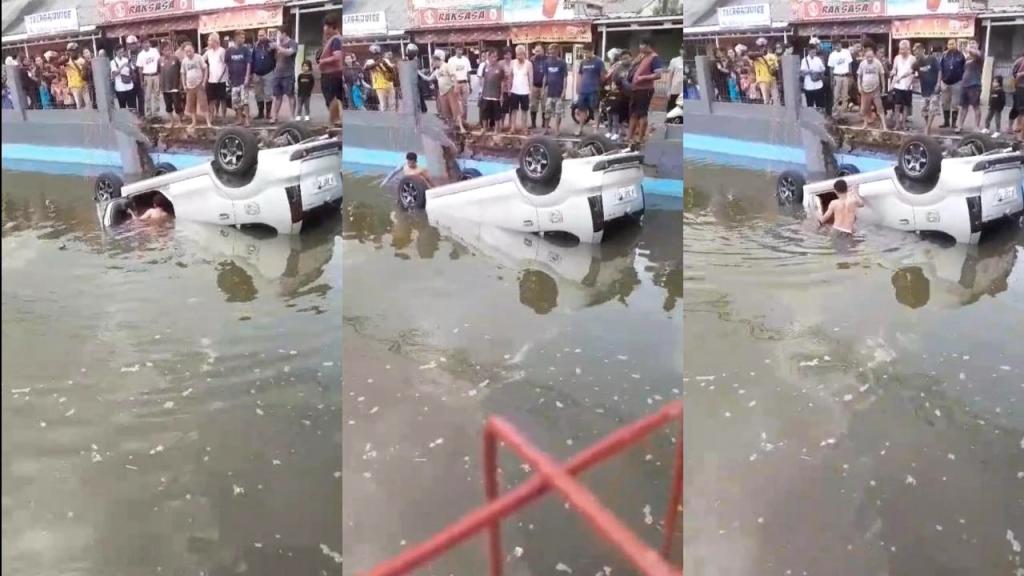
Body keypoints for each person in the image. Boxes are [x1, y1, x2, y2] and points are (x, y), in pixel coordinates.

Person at [627, 39, 664, 147]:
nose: (640, 47)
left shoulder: (654, 58)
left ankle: (640, 138)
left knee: (642, 113)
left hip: (645, 89)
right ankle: (630, 136)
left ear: (648, 45)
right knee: (633, 113)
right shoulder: (642, 57)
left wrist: (643, 77)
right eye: (640, 44)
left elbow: (658, 75)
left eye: (642, 44)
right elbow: (633, 68)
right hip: (636, 89)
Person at [318, 13, 344, 125]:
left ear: (333, 27)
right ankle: (337, 120)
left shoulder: (336, 40)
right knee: (337, 98)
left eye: (327, 26)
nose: (325, 29)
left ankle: (336, 121)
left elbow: (337, 57)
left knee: (331, 98)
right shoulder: (336, 39)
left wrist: (323, 61)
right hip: (335, 73)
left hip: (331, 74)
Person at [573, 45, 604, 136]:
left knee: (595, 109)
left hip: (594, 90)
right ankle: (580, 128)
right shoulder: (583, 62)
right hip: (583, 90)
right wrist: (577, 87)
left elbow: (602, 76)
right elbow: (580, 75)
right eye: (584, 52)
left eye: (587, 52)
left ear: (592, 50)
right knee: (582, 110)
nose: (585, 54)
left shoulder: (599, 62)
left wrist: (600, 87)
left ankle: (596, 130)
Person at [180, 42, 211, 128]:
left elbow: (205, 69)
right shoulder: (184, 61)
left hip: (199, 84)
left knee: (203, 103)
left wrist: (204, 82)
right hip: (189, 86)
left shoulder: (199, 58)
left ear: (193, 50)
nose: (189, 53)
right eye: (187, 52)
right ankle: (194, 122)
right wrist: (184, 85)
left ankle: (208, 122)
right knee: (191, 105)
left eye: (190, 51)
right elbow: (183, 73)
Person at [224, 30, 251, 126]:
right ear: (236, 38)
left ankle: (247, 120)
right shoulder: (229, 51)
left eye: (244, 38)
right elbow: (226, 64)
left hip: (243, 79)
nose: (243, 40)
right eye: (241, 37)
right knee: (236, 101)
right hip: (233, 80)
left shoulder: (246, 50)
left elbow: (248, 64)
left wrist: (247, 77)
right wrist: (228, 76)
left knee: (245, 101)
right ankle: (239, 119)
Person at [271, 27, 298, 122]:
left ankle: (292, 116)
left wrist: (278, 47)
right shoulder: (278, 45)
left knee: (290, 95)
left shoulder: (292, 43)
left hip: (288, 74)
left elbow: (289, 53)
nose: (277, 36)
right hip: (277, 73)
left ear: (284, 33)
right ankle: (275, 116)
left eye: (279, 33)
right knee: (277, 96)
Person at [857, 47, 887, 130]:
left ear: (873, 55)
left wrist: (883, 87)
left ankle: (884, 125)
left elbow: (882, 75)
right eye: (867, 57)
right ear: (865, 56)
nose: (869, 59)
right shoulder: (862, 64)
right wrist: (859, 86)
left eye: (871, 57)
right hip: (865, 89)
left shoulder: (877, 63)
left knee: (879, 107)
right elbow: (859, 76)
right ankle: (865, 124)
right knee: (865, 108)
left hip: (875, 89)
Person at [541, 44, 568, 136]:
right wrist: (543, 89)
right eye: (549, 50)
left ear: (557, 51)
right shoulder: (546, 62)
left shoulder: (562, 63)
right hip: (549, 92)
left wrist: (564, 90)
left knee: (558, 112)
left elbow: (565, 77)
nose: (550, 52)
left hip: (559, 92)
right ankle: (546, 129)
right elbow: (545, 76)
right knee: (547, 111)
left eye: (552, 50)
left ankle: (557, 129)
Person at [914, 44, 941, 135]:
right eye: (914, 51)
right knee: (924, 110)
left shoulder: (932, 59)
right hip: (924, 89)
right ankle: (927, 125)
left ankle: (928, 128)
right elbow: (910, 72)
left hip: (934, 88)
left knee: (932, 109)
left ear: (922, 50)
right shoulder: (917, 63)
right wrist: (900, 77)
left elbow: (939, 70)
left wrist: (938, 83)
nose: (915, 53)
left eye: (916, 51)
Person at [957, 40, 983, 133]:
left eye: (973, 43)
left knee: (976, 106)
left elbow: (975, 53)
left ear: (977, 45)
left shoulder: (979, 55)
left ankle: (976, 126)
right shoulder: (967, 58)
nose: (971, 45)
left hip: (974, 85)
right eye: (970, 43)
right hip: (965, 85)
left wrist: (967, 48)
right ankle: (960, 125)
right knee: (963, 107)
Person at [939, 38, 965, 129]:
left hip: (957, 82)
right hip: (945, 82)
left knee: (955, 104)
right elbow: (940, 69)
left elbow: (964, 69)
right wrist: (940, 82)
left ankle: (954, 123)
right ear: (947, 45)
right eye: (949, 44)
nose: (951, 46)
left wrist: (962, 81)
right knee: (945, 103)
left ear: (956, 44)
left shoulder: (961, 55)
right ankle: (946, 122)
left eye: (953, 44)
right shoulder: (944, 55)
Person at [890, 40, 916, 131]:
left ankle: (904, 124)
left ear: (908, 49)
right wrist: (892, 73)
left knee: (906, 106)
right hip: (898, 85)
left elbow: (914, 72)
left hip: (907, 86)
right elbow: (894, 69)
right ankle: (897, 124)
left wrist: (910, 82)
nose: (902, 51)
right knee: (897, 105)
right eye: (901, 49)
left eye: (904, 49)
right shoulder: (897, 58)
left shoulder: (912, 58)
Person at [251, 29, 276, 120]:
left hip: (268, 73)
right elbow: (252, 59)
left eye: (262, 35)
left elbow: (276, 57)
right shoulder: (255, 46)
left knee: (268, 94)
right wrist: (251, 73)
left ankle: (268, 114)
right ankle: (260, 113)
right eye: (259, 35)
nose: (261, 37)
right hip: (257, 74)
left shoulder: (271, 44)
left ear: (266, 35)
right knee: (258, 94)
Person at [479, 50, 505, 135]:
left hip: (495, 95)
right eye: (493, 57)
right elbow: (483, 80)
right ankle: (484, 128)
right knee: (484, 113)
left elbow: (502, 82)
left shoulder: (500, 68)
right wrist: (481, 92)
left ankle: (496, 130)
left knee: (496, 114)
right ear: (489, 57)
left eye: (496, 57)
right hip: (486, 94)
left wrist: (501, 95)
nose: (494, 59)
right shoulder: (485, 67)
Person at [508, 45, 532, 134]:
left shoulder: (528, 64)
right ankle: (513, 128)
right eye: (517, 55)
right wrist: (509, 88)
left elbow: (531, 79)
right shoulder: (512, 63)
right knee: (513, 110)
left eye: (520, 55)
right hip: (515, 90)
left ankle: (524, 128)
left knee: (524, 111)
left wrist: (531, 92)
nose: (519, 57)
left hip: (525, 91)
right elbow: (510, 76)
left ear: (524, 54)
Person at [158, 41, 183, 127]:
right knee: (168, 106)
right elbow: (159, 73)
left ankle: (179, 122)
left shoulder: (175, 59)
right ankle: (172, 121)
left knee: (177, 105)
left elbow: (181, 71)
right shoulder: (159, 60)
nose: (167, 52)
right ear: (162, 51)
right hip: (165, 87)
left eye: (169, 50)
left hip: (175, 87)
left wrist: (180, 83)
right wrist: (160, 85)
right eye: (165, 50)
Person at [203, 34, 228, 122]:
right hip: (211, 80)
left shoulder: (222, 51)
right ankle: (211, 117)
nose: (208, 42)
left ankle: (224, 117)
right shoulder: (208, 52)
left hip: (221, 80)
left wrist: (221, 77)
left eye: (210, 40)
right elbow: (201, 60)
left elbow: (225, 65)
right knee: (211, 99)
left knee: (222, 99)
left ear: (215, 41)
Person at [134, 39, 160, 117]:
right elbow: (140, 69)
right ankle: (149, 114)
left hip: (155, 75)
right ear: (141, 45)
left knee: (156, 95)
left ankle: (156, 114)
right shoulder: (140, 55)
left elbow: (159, 62)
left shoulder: (154, 51)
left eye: (147, 42)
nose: (146, 44)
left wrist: (160, 75)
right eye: (144, 43)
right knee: (147, 96)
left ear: (149, 43)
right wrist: (141, 80)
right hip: (147, 76)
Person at [828, 40, 852, 115]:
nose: (836, 47)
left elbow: (849, 64)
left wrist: (850, 76)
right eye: (835, 46)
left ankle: (843, 111)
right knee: (836, 95)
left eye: (837, 45)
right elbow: (831, 68)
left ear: (840, 44)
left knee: (845, 95)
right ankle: (835, 111)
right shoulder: (832, 55)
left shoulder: (846, 52)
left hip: (845, 76)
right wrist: (832, 80)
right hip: (836, 76)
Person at [800, 39, 826, 110]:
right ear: (808, 52)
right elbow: (802, 72)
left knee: (820, 104)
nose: (814, 54)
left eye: (814, 52)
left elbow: (823, 68)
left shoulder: (818, 59)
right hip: (809, 86)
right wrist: (809, 71)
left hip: (819, 85)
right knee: (810, 105)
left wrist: (819, 71)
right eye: (812, 52)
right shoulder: (804, 60)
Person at [62, 43, 89, 110]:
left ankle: (90, 119)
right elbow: (58, 63)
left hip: (84, 85)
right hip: (75, 87)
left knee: (88, 105)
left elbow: (86, 75)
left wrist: (85, 68)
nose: (71, 52)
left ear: (77, 51)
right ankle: (82, 120)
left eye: (73, 50)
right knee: (79, 106)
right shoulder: (66, 61)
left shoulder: (82, 61)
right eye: (70, 51)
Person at [449, 47, 472, 122]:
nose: (460, 51)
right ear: (455, 50)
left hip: (464, 82)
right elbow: (450, 73)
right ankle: (457, 121)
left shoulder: (466, 60)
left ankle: (464, 120)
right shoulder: (451, 60)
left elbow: (468, 73)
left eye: (461, 50)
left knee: (464, 103)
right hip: (455, 83)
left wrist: (470, 84)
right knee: (457, 103)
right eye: (458, 49)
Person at [750, 38, 775, 105]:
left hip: (772, 79)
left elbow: (775, 68)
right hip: (762, 80)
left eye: (764, 46)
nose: (763, 47)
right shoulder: (755, 56)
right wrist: (762, 54)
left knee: (776, 98)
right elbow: (750, 54)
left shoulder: (772, 56)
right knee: (766, 99)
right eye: (760, 46)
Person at [111, 46, 136, 110]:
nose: (121, 53)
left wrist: (132, 65)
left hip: (129, 86)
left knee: (132, 107)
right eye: (120, 52)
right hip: (120, 88)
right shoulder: (113, 62)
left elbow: (133, 70)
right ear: (116, 52)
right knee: (123, 108)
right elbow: (115, 73)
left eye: (122, 51)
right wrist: (123, 65)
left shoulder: (126, 59)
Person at [529, 44, 547, 129]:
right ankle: (533, 124)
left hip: (545, 86)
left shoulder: (547, 60)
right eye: (535, 51)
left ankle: (544, 124)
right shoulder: (532, 60)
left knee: (545, 105)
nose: (537, 53)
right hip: (534, 86)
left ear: (543, 51)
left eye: (538, 51)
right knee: (533, 105)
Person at [667, 45, 685, 112]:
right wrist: (668, 90)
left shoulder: (689, 61)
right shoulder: (674, 61)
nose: (683, 51)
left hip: (685, 92)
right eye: (682, 49)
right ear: (680, 50)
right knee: (673, 111)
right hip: (675, 90)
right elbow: (670, 76)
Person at [1013, 52, 1024, 140]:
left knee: (1021, 110)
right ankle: (1019, 132)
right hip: (1020, 87)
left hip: (1020, 86)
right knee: (1020, 109)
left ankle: (1020, 134)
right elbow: (1015, 73)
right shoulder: (1020, 61)